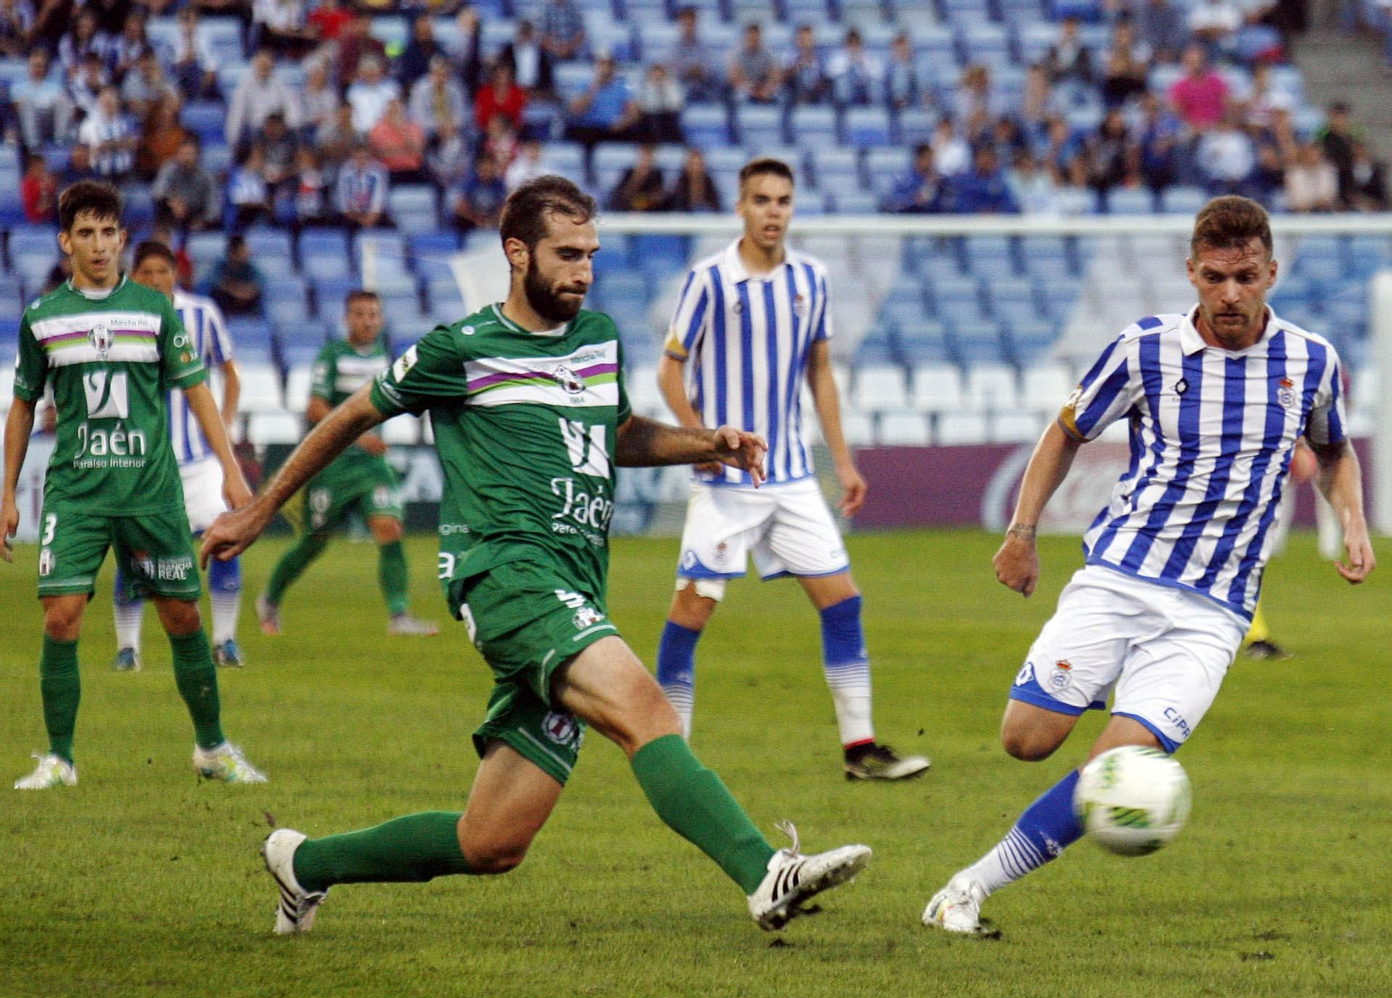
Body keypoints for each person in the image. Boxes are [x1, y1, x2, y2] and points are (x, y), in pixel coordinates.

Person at [200, 175, 871, 934]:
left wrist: (704, 440)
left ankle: (303, 863)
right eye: (566, 254)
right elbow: (352, 415)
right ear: (517, 253)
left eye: (591, 253)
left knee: (489, 842)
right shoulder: (463, 349)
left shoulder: (598, 338)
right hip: (507, 578)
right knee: (647, 709)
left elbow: (616, 435)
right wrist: (258, 508)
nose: (584, 271)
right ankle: (765, 872)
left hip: (575, 581)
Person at [922, 195, 1375, 937]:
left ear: (1272, 273)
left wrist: (1351, 518)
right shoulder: (1144, 349)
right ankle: (1111, 697)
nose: (1232, 293)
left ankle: (966, 887)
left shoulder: (1311, 360)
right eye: (1217, 276)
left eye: (1248, 276)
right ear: (1192, 271)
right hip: (1120, 576)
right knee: (1025, 740)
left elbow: (1332, 449)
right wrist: (1022, 531)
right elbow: (1065, 432)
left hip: (1213, 613)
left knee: (1112, 771)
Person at [654, 158, 931, 782]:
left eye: (782, 200)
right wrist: (702, 442)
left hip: (793, 479)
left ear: (792, 207)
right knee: (693, 611)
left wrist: (843, 459)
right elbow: (669, 369)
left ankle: (860, 751)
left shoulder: (812, 278)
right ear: (740, 207)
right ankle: (667, 752)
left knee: (842, 603)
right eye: (760, 200)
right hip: (726, 482)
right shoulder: (709, 280)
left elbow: (820, 371)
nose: (772, 211)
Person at [3, 181, 266, 791]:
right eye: (86, 234)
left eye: (109, 233)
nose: (100, 246)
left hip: (150, 491)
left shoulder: (154, 311)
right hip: (77, 493)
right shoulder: (43, 318)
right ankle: (59, 760)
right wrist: (6, 495)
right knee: (60, 616)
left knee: (181, 618)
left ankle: (212, 749)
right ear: (66, 241)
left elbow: (198, 391)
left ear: (122, 238)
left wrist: (230, 469)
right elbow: (21, 408)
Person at [255, 291, 437, 638]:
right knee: (314, 542)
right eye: (359, 315)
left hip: (371, 466)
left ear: (381, 319)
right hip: (333, 465)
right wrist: (356, 436)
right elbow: (315, 408)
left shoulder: (388, 355)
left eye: (372, 315)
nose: (366, 321)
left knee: (389, 528)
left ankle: (399, 616)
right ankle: (270, 598)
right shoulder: (333, 355)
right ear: (346, 319)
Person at [111, 241, 246, 671]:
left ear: (176, 275)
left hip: (197, 459)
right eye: (145, 272)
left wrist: (221, 430)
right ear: (133, 276)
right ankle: (128, 648)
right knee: (135, 553)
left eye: (162, 272)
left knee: (224, 540)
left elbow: (230, 374)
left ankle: (225, 640)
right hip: (140, 462)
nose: (154, 280)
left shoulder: (201, 314)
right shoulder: (117, 318)